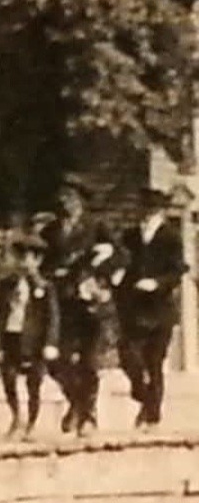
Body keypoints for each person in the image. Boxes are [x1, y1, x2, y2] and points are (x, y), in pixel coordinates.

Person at [41, 174, 121, 437]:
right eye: (63, 198)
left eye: (71, 198)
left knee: (88, 360)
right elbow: (43, 262)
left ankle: (87, 414)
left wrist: (101, 272)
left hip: (88, 302)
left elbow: (121, 255)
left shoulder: (96, 226)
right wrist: (53, 274)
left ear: (81, 201)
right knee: (56, 360)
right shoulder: (51, 231)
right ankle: (76, 402)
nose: (66, 203)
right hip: (61, 301)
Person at [117, 188, 185, 432]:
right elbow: (122, 262)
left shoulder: (171, 236)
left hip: (159, 309)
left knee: (154, 361)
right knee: (127, 354)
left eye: (148, 210)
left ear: (158, 211)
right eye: (141, 209)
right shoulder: (131, 236)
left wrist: (156, 283)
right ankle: (143, 395)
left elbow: (177, 271)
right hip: (134, 307)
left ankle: (152, 415)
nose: (142, 214)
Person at [0, 231, 59, 440]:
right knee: (9, 377)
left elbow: (53, 316)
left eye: (29, 258)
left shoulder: (45, 287)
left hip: (34, 340)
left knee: (34, 383)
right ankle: (16, 416)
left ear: (38, 260)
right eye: (20, 258)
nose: (24, 263)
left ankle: (32, 422)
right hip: (11, 334)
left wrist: (50, 342)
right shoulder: (7, 284)